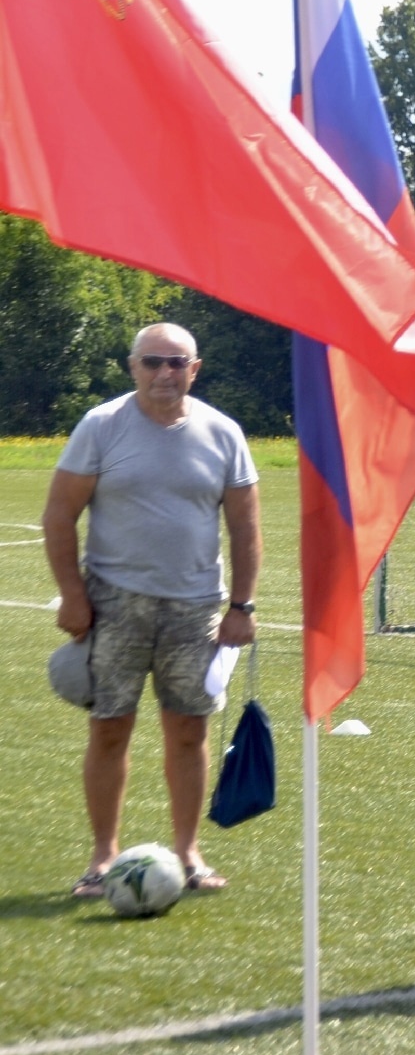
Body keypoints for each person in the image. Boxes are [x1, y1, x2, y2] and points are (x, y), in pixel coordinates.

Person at [47, 323, 259, 900]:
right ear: (133, 366)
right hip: (113, 603)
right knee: (110, 728)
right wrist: (72, 594)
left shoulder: (223, 432)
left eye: (176, 362)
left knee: (189, 731)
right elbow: (59, 514)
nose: (164, 373)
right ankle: (100, 858)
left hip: (195, 608)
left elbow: (244, 525)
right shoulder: (101, 426)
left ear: (195, 368)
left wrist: (241, 605)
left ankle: (188, 853)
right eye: (152, 362)